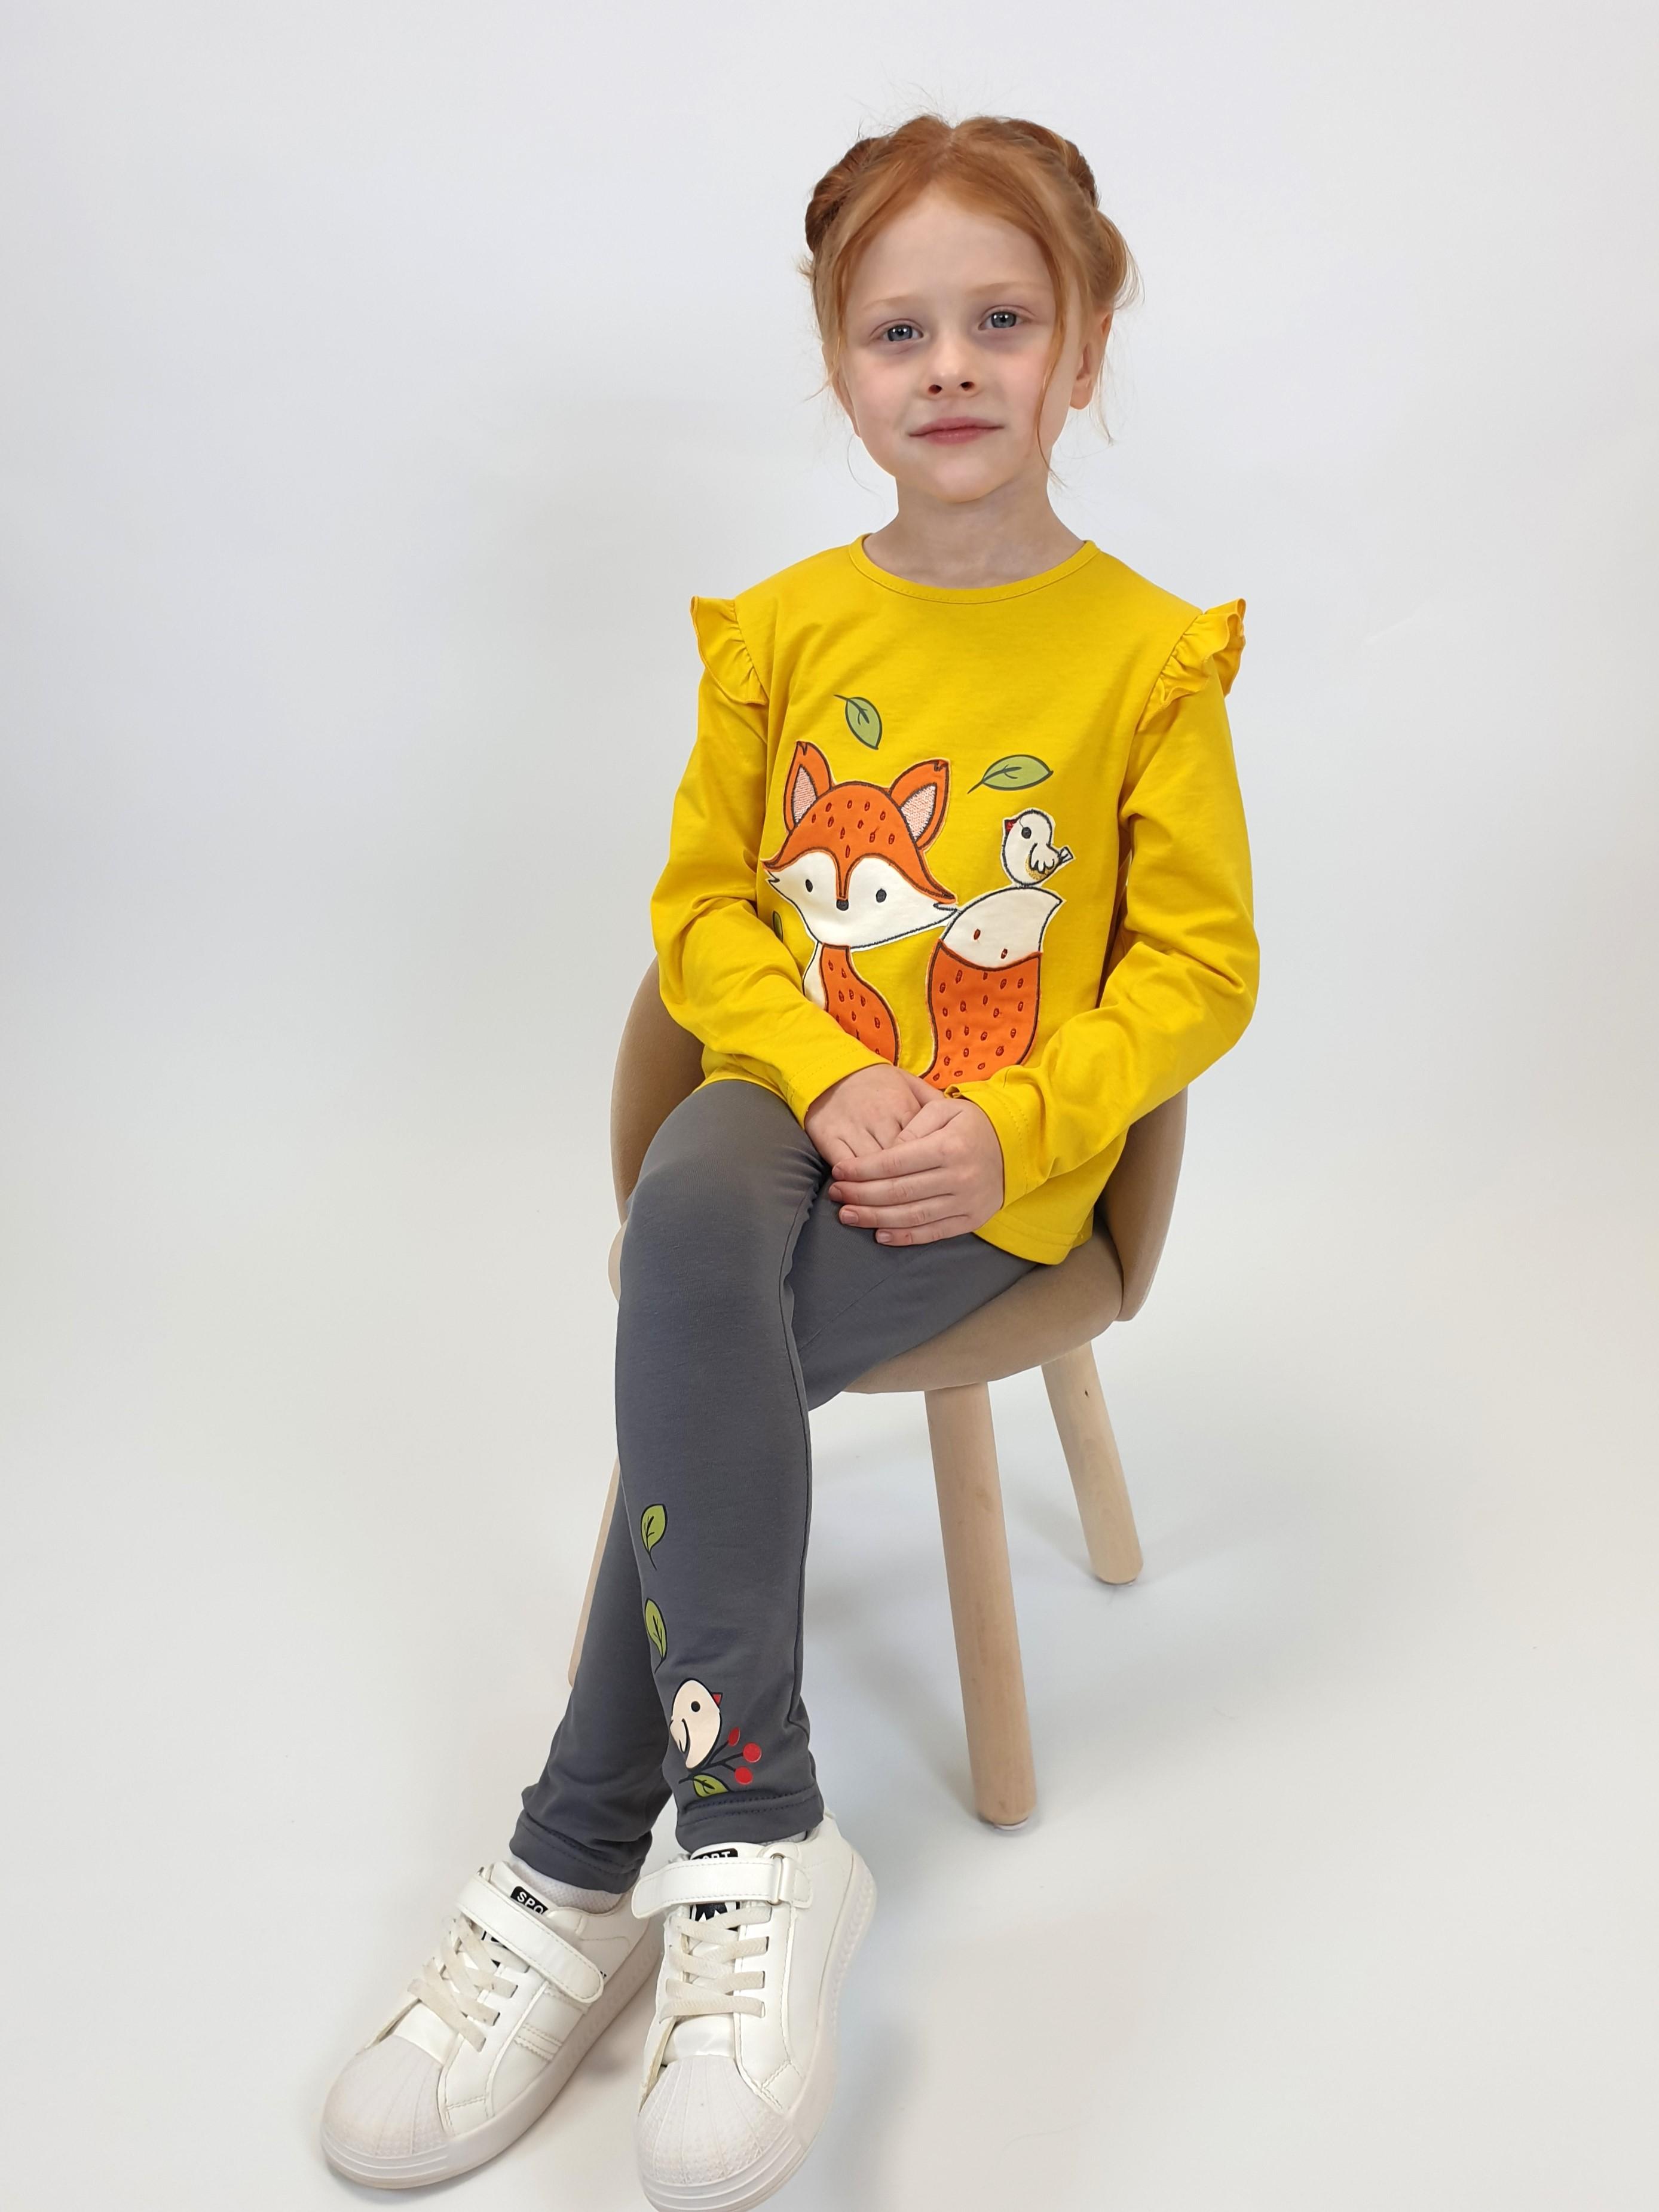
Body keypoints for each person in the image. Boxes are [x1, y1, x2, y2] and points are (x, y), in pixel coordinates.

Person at [320, 110, 1259, 2210]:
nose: (953, 367)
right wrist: (829, 1077)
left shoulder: (1148, 656)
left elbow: (1199, 970)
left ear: (1084, 348)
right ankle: (758, 1836)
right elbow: (712, 919)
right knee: (694, 1216)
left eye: (1003, 320)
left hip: (995, 1165)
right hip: (794, 1101)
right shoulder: (782, 633)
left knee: (699, 1340)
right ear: (839, 365)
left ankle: (574, 1858)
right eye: (898, 330)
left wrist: (1004, 1123)